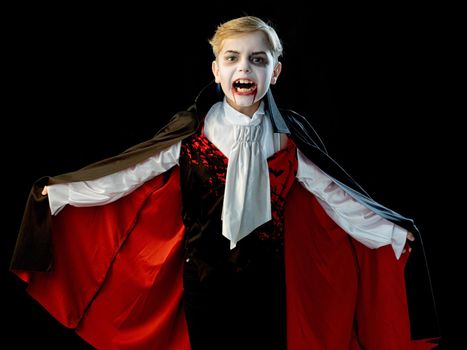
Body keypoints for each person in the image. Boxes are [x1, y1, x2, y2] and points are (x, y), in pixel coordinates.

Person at [10, 16, 439, 349]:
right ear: (216, 71)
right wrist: (64, 193)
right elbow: (127, 175)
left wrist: (392, 233)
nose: (244, 66)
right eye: (232, 57)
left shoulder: (287, 141)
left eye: (258, 58)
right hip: (203, 283)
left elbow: (336, 198)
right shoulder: (192, 134)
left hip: (270, 288)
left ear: (276, 72)